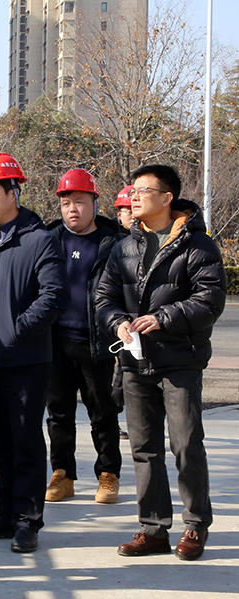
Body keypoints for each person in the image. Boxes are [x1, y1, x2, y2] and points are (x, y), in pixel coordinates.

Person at [96, 164, 226, 561]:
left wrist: (163, 318)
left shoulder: (198, 245)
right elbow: (104, 297)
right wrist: (117, 322)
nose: (133, 197)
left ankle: (195, 524)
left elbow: (210, 300)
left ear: (167, 198)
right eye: (132, 191)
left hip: (180, 360)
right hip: (135, 362)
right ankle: (153, 529)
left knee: (186, 444)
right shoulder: (124, 247)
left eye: (143, 190)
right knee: (143, 449)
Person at [0, 152, 69, 554]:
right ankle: (4, 513)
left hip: (25, 360)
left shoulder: (39, 240)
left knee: (25, 442)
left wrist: (17, 329)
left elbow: (54, 296)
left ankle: (27, 520)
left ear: (13, 193)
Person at [44, 169, 124, 505]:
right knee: (58, 414)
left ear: (94, 202)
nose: (72, 209)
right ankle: (62, 474)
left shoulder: (114, 242)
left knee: (103, 413)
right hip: (56, 343)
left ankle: (108, 474)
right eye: (66, 203)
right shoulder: (49, 239)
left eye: (79, 201)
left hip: (97, 343)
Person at [111, 184, 134, 439]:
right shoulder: (113, 242)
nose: (132, 215)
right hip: (118, 319)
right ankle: (111, 417)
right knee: (119, 373)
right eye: (127, 210)